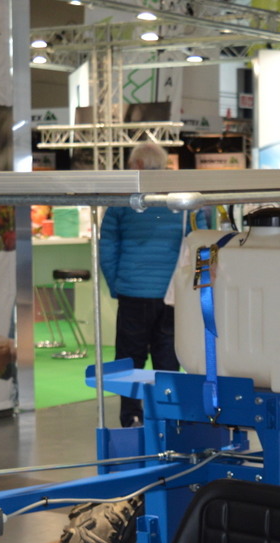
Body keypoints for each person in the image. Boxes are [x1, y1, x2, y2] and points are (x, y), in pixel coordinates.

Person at [98, 142, 184, 427]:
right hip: (172, 295)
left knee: (129, 359)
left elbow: (107, 247)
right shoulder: (181, 198)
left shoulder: (123, 199)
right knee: (168, 358)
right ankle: (168, 417)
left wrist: (117, 284)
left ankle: (131, 415)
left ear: (136, 165)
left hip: (133, 292)